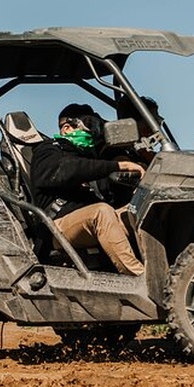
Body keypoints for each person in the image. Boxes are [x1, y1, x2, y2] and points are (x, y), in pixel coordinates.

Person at [29, 103, 146, 276]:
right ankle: (141, 278)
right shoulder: (47, 150)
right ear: (67, 128)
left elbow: (100, 178)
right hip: (56, 225)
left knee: (139, 210)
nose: (93, 132)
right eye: (89, 125)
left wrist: (128, 168)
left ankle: (167, 269)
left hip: (88, 219)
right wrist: (118, 165)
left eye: (97, 126)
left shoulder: (89, 156)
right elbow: (70, 169)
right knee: (101, 212)